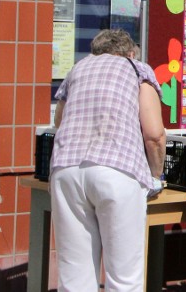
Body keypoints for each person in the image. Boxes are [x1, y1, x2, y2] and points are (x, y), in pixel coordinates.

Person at [50, 29, 165, 292]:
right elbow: (154, 135)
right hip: (117, 169)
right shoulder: (137, 70)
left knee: (74, 275)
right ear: (131, 53)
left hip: (66, 169)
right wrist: (155, 176)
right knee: (124, 276)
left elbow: (60, 121)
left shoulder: (78, 69)